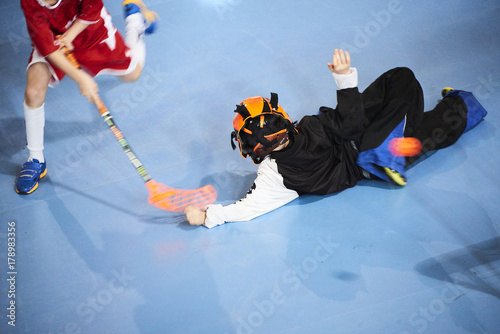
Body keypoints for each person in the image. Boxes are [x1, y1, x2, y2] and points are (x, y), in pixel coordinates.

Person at [184, 49, 488, 228]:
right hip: (366, 150)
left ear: (250, 147)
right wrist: (344, 78)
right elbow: (350, 123)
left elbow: (248, 208)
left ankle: (393, 145)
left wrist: (208, 216)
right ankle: (388, 152)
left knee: (428, 124)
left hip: (358, 151)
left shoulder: (273, 177)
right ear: (282, 118)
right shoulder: (310, 128)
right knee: (405, 81)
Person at [15, 0, 159, 194]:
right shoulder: (29, 2)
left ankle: (135, 20)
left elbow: (94, 8)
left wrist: (71, 34)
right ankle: (35, 159)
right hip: (54, 41)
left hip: (92, 32)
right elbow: (47, 47)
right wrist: (81, 77)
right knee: (33, 92)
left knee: (132, 74)